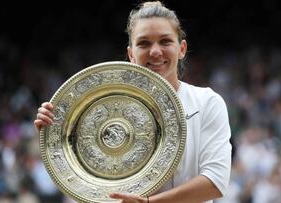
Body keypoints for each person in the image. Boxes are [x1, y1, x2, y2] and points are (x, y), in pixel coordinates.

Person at [34, 1, 232, 203]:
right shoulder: (97, 105)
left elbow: (215, 182)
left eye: (165, 41)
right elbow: (85, 186)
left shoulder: (206, 103)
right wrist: (53, 135)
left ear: (182, 48)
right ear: (131, 54)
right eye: (144, 43)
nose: (155, 51)